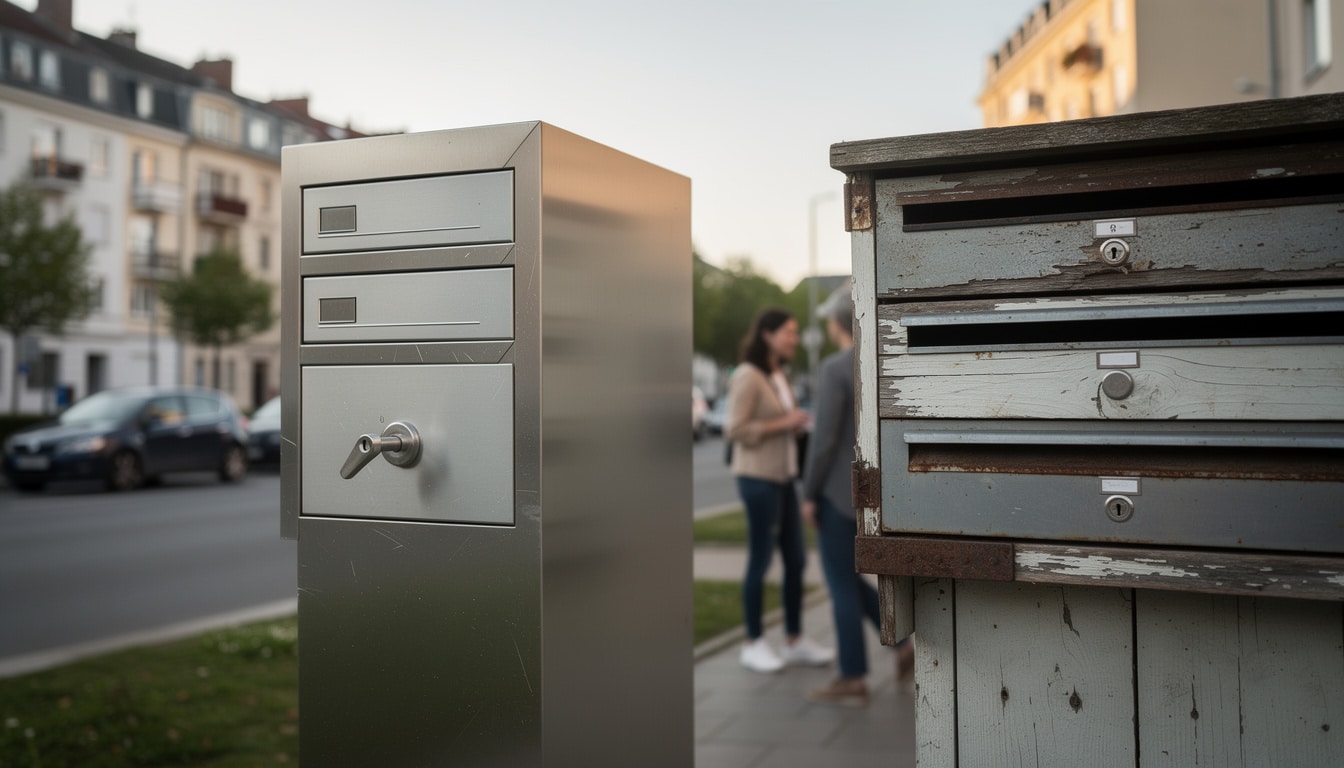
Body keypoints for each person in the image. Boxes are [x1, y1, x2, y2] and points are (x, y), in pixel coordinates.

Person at [800, 282, 913, 706]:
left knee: (840, 587)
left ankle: (852, 677)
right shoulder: (875, 362)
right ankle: (902, 646)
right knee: (853, 579)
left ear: (835, 322)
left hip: (835, 493)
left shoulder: (833, 368)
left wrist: (808, 493)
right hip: (876, 491)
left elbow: (823, 442)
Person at [725, 307, 835, 673]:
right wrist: (784, 422)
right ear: (767, 334)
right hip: (758, 479)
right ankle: (752, 642)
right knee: (760, 559)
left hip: (786, 477)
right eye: (789, 332)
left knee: (798, 560)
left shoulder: (778, 374)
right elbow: (735, 429)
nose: (794, 338)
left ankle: (793, 639)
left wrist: (797, 426)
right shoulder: (748, 375)